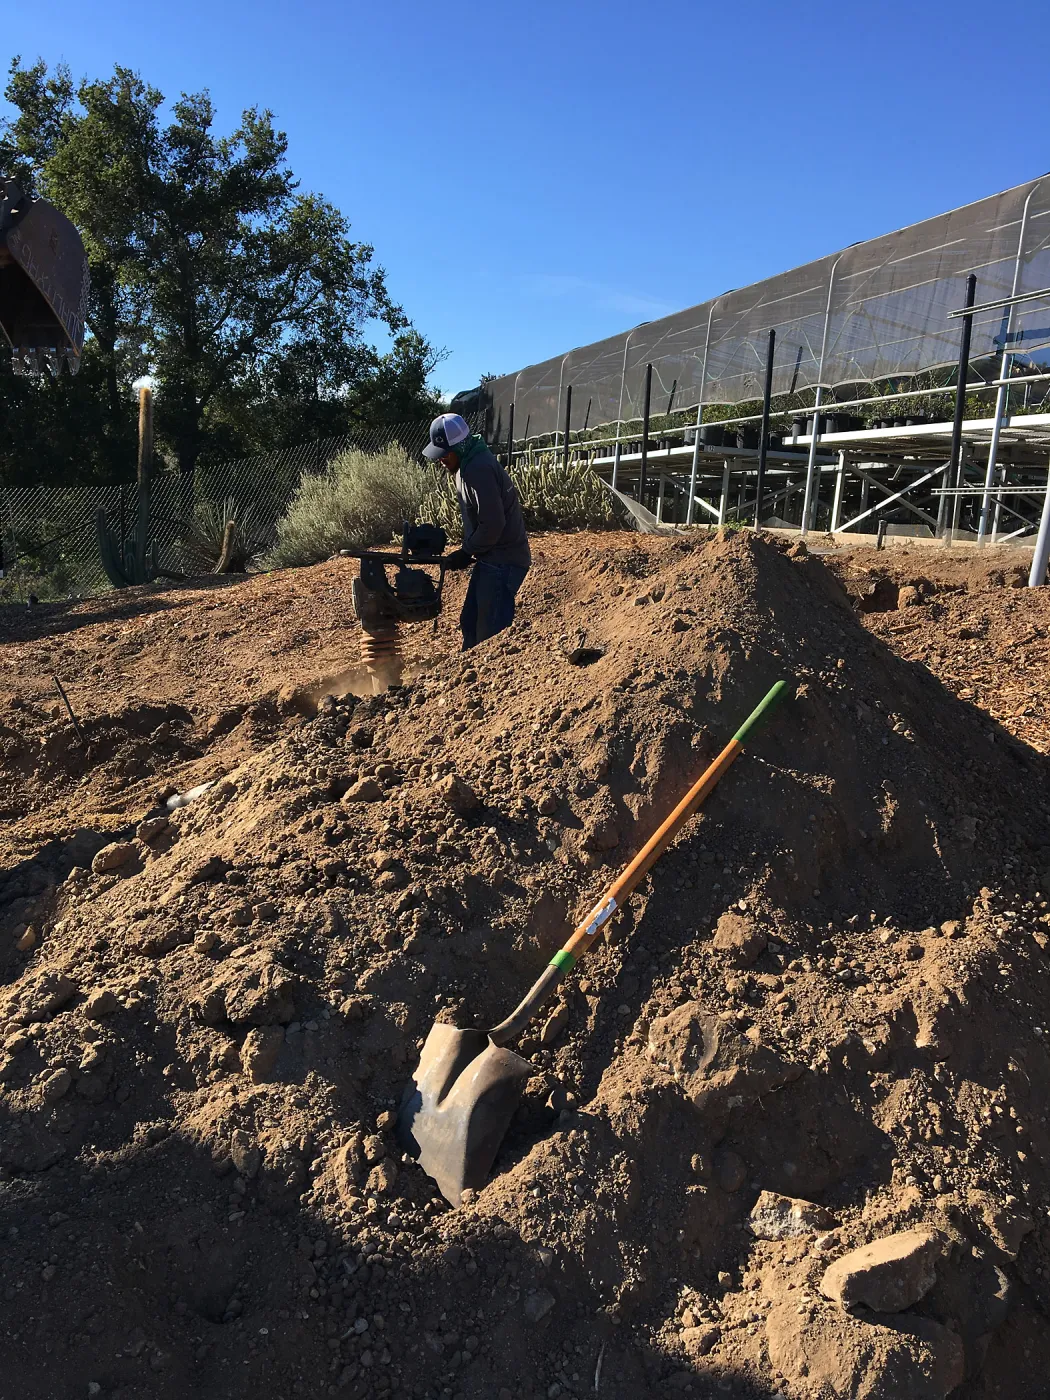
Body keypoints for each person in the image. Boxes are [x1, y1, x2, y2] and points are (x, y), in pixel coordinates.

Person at [422, 413, 531, 649]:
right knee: (470, 622)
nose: (441, 460)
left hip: (504, 560)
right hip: (492, 558)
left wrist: (466, 552)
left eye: (445, 454)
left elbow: (493, 524)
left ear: (458, 447)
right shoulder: (468, 463)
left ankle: (493, 681)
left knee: (489, 635)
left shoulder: (477, 469)